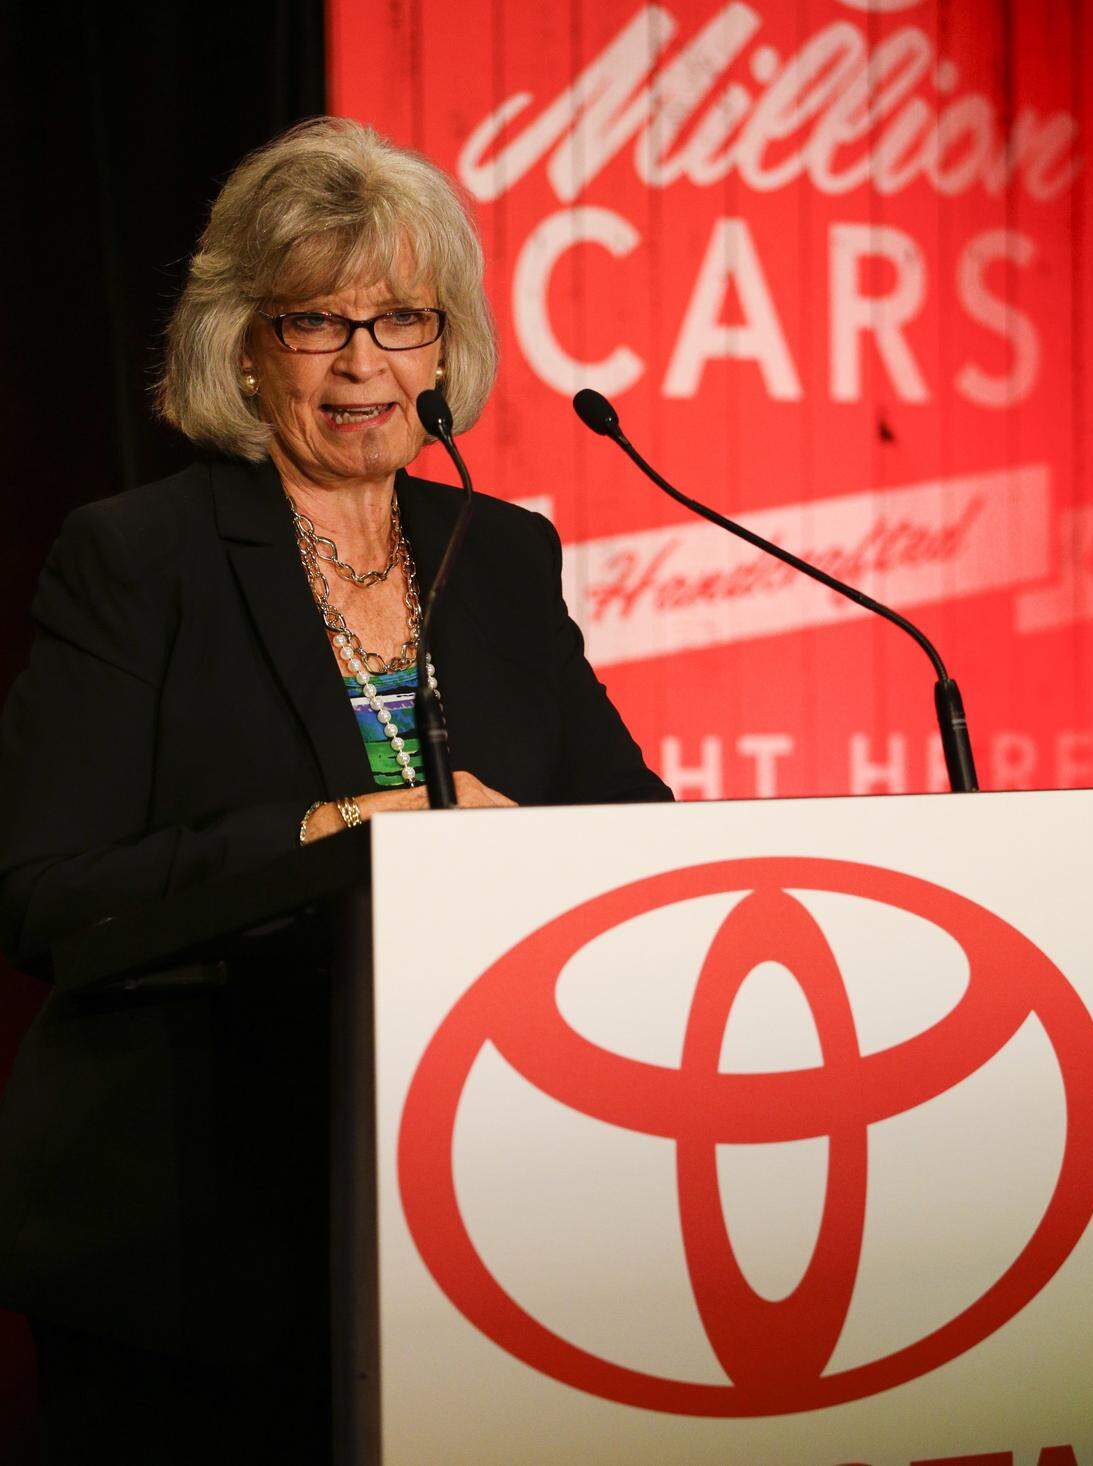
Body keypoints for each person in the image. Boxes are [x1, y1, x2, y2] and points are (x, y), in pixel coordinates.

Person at [0, 117, 671, 1463]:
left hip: (478, 1207)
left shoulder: (501, 555)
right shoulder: (140, 558)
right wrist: (332, 833)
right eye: (318, 322)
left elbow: (632, 834)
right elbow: (42, 891)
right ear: (245, 346)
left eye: (399, 320)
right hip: (196, 1227)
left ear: (446, 343)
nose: (365, 361)